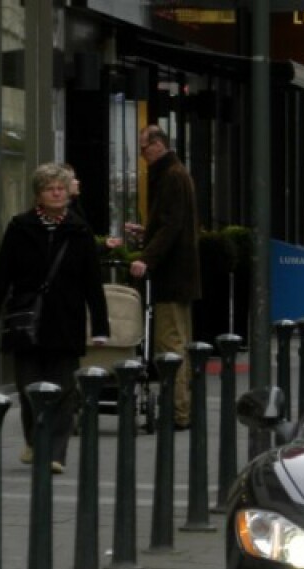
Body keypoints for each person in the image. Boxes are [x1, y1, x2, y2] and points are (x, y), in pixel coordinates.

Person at [0, 163, 109, 474]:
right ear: (39, 194)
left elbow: (93, 281)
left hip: (65, 320)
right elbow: (1, 274)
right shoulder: (20, 227)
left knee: (63, 391)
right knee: (29, 388)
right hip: (27, 322)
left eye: (61, 188)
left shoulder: (78, 230)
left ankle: (55, 453)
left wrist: (101, 326)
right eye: (50, 188)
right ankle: (36, 441)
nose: (56, 192)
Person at [125, 125, 201, 430]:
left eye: (144, 149)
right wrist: (147, 233)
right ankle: (181, 409)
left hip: (173, 276)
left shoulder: (171, 176)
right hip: (180, 275)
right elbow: (173, 224)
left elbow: (172, 225)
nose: (142, 156)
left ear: (157, 145)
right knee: (178, 342)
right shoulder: (176, 173)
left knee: (170, 345)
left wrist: (146, 257)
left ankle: (178, 412)